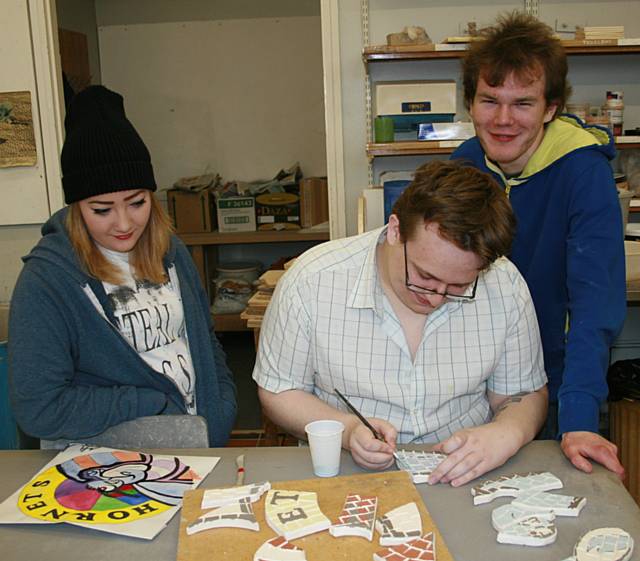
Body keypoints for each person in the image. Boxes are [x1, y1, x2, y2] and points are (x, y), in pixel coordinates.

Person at [253, 160, 548, 486]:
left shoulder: (504, 285)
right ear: (395, 230)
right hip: (346, 472)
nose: (436, 298)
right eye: (424, 276)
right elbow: (279, 390)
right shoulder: (312, 282)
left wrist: (506, 432)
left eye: (459, 287)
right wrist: (348, 430)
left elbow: (523, 392)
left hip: (466, 474)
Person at [8, 85, 237, 446]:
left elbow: (204, 341)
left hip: (199, 443)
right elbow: (40, 407)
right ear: (76, 209)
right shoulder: (46, 280)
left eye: (137, 202)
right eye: (102, 209)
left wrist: (220, 408)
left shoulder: (172, 251)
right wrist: (149, 402)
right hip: (110, 459)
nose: (124, 223)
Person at [452, 12, 626, 478]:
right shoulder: (462, 166)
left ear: (550, 108)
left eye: (522, 103)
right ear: (470, 103)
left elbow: (594, 307)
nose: (503, 120)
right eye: (490, 100)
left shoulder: (583, 173)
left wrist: (580, 418)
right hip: (471, 386)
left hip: (556, 385)